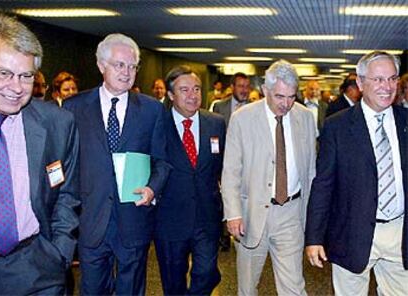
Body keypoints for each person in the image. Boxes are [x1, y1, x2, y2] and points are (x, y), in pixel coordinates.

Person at [64, 33, 170, 295]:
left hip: (133, 218)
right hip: (91, 220)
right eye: (119, 65)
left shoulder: (151, 110)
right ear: (101, 66)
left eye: (132, 66)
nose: (127, 72)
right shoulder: (73, 108)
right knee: (92, 289)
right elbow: (66, 163)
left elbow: (162, 162)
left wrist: (152, 188)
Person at [305, 51, 408, 295]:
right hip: (352, 231)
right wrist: (314, 237)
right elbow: (324, 185)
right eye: (378, 80)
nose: (387, 87)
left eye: (392, 79)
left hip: (399, 232)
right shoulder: (337, 126)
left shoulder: (406, 121)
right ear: (360, 83)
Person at [0, 14, 80, 295]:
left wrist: (59, 253)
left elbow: (67, 194)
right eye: (3, 73)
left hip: (38, 269)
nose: (16, 87)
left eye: (26, 76)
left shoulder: (57, 123)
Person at [222, 60, 316, 296]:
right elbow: (231, 170)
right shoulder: (242, 119)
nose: (286, 103)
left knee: (294, 286)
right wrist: (233, 213)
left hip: (291, 213)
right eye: (279, 96)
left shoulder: (304, 117)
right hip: (252, 212)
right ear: (265, 91)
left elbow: (311, 171)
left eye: (292, 96)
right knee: (247, 286)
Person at [154, 65, 226, 295]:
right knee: (173, 282)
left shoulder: (216, 122)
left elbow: (224, 166)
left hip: (207, 216)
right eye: (184, 90)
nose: (193, 95)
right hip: (170, 219)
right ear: (171, 95)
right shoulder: (157, 124)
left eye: (196, 89)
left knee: (206, 273)